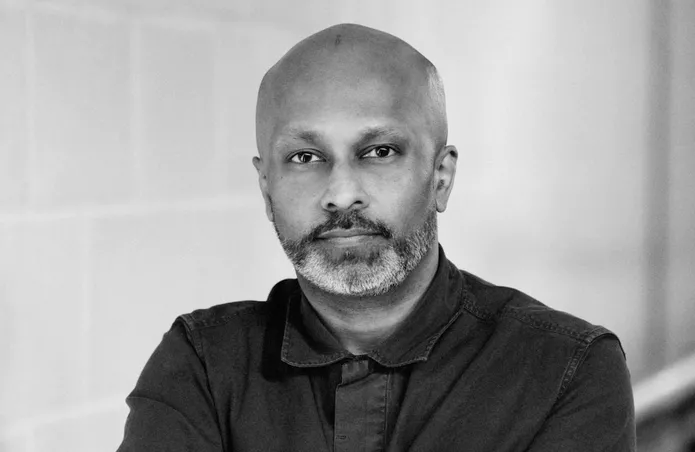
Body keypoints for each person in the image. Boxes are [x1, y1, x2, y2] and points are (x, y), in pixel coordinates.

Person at [117, 23, 635, 451]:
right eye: (305, 157)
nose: (341, 194)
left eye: (379, 151)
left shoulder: (564, 371)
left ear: (441, 177)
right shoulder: (202, 367)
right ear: (266, 188)